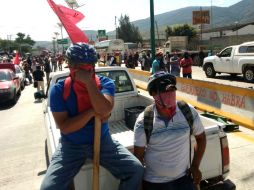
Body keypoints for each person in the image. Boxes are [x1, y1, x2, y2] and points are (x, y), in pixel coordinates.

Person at [40, 43, 143, 190]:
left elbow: (105, 110)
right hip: (70, 147)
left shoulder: (106, 83)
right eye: (81, 67)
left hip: (103, 142)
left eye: (90, 66)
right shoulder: (59, 90)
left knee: (136, 170)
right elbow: (65, 127)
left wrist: (89, 83)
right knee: (48, 188)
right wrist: (91, 112)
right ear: (70, 66)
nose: (87, 71)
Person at [133, 71, 206, 190]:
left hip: (184, 180)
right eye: (165, 90)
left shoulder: (187, 112)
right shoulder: (144, 120)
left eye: (172, 90)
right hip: (154, 183)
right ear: (154, 94)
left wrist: (195, 166)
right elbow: (138, 158)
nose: (170, 94)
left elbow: (201, 138)